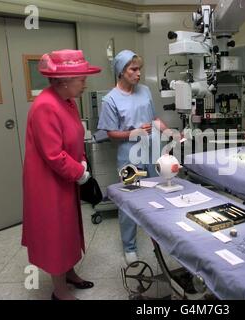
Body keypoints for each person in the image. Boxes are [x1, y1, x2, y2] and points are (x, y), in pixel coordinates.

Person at [22, 49, 101, 300]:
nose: (85, 84)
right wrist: (80, 172)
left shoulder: (68, 101)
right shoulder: (45, 106)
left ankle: (69, 273)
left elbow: (75, 137)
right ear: (64, 80)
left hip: (65, 177)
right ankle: (59, 290)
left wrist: (82, 162)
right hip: (48, 183)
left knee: (69, 228)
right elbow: (53, 154)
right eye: (82, 79)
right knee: (56, 232)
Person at [98, 50, 175, 266]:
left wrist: (170, 134)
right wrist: (135, 132)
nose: (138, 73)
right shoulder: (110, 100)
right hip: (129, 155)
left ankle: (159, 241)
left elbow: (155, 119)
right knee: (129, 201)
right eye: (133, 69)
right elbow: (111, 134)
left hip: (152, 151)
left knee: (158, 196)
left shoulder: (145, 91)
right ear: (121, 72)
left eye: (139, 69)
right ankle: (129, 247)